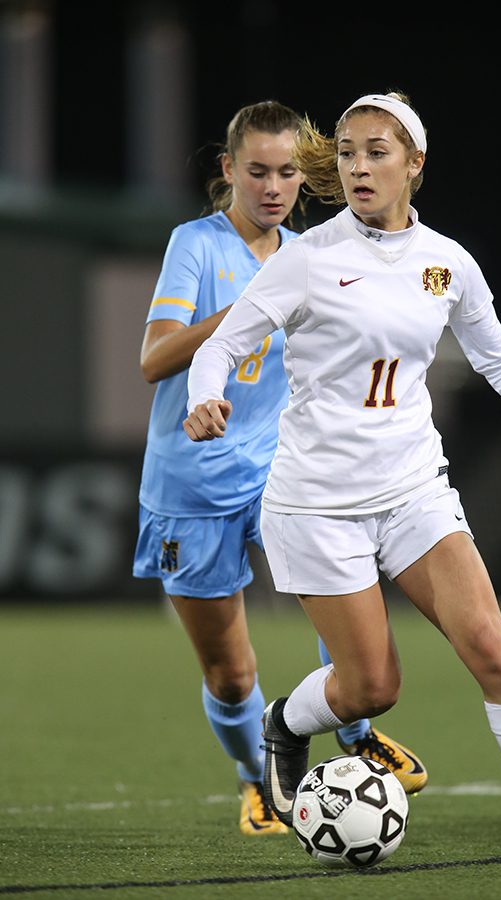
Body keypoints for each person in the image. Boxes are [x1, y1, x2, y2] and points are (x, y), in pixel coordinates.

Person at [184, 91, 501, 855]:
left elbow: (499, 357)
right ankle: (285, 721)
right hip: (317, 505)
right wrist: (204, 395)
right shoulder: (308, 259)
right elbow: (220, 344)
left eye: (377, 152)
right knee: (373, 688)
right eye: (346, 153)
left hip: (412, 489)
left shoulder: (446, 263)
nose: (358, 167)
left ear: (416, 164)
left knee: (492, 644)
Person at [133, 99, 428, 838]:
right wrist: (244, 312)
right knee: (231, 673)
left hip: (281, 475)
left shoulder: (314, 254)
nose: (273, 187)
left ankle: (356, 736)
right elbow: (154, 358)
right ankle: (255, 779)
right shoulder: (195, 246)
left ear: (307, 176)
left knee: (346, 598)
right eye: (257, 171)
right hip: (192, 486)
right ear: (229, 170)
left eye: (288, 172)